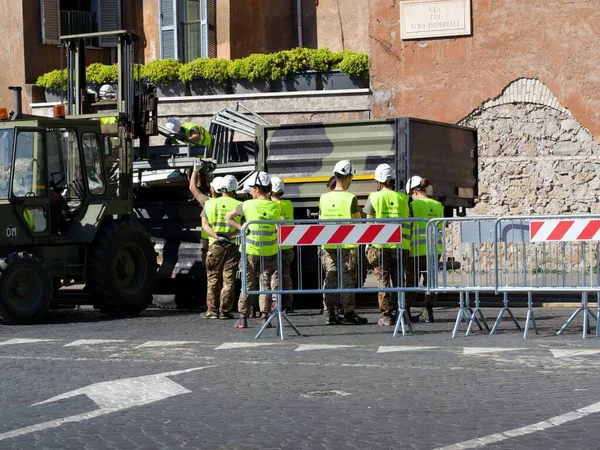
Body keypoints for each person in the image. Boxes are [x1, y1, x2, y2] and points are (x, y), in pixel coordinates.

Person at [226, 171, 281, 329]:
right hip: (269, 252)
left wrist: (243, 228)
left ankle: (242, 318)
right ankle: (264, 318)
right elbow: (279, 226)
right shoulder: (274, 206)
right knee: (265, 286)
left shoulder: (247, 205)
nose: (250, 191)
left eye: (251, 188)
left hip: (250, 251)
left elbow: (228, 217)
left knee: (247, 284)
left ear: (257, 189)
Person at [318, 160, 368, 325]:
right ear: (348, 178)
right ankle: (348, 312)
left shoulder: (323, 198)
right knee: (347, 279)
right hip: (348, 245)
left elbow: (320, 221)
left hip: (329, 244)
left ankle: (329, 314)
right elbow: (357, 221)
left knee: (330, 278)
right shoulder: (350, 198)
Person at [363, 164, 410, 326]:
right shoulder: (403, 198)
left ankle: (387, 315)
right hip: (400, 246)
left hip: (380, 245)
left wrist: (367, 244)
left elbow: (369, 221)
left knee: (383, 280)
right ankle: (401, 311)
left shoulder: (374, 197)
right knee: (399, 280)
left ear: (378, 180)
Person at [201, 175, 242, 320]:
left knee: (212, 278)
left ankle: (212, 310)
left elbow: (204, 225)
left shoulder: (210, 204)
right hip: (231, 245)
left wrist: (217, 237)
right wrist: (230, 236)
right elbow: (244, 227)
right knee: (229, 279)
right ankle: (225, 310)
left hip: (215, 245)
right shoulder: (238, 204)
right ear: (234, 188)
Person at [405, 175, 444, 323]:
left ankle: (405, 311)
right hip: (434, 250)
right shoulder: (438, 205)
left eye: (410, 195)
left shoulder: (413, 206)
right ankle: (428, 311)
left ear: (414, 192)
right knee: (431, 283)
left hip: (416, 250)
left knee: (411, 282)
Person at [270, 176, 294, 313]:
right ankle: (289, 304)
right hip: (288, 246)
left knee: (275, 276)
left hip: (276, 245)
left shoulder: (273, 206)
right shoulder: (288, 204)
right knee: (286, 276)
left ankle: (276, 303)